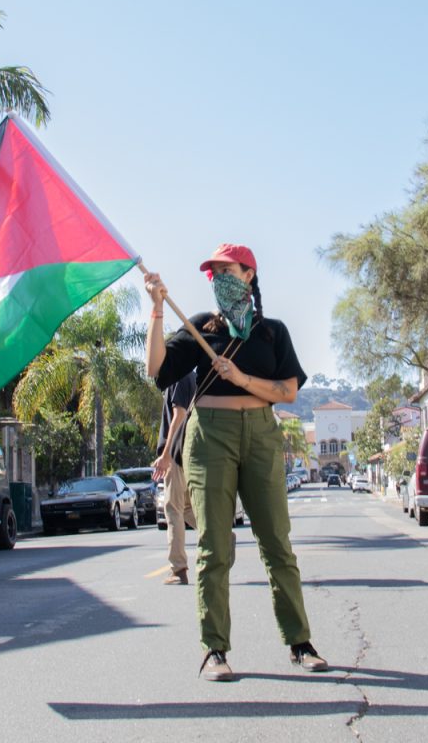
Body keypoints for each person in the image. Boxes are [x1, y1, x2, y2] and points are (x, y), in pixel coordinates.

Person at [144, 243, 327, 681]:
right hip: (210, 438)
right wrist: (156, 311)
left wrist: (242, 378)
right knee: (214, 547)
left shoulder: (272, 333)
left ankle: (300, 642)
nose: (220, 277)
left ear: (248, 275)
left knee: (277, 543)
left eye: (227, 269)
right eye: (214, 272)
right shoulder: (200, 329)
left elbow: (287, 392)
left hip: (262, 435)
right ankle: (214, 650)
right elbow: (157, 370)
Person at [152, 370, 198, 585]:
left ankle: (178, 569)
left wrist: (166, 453)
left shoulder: (179, 377)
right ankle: (222, 537)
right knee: (187, 508)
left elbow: (179, 415)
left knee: (173, 509)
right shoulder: (192, 377)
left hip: (177, 453)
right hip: (189, 452)